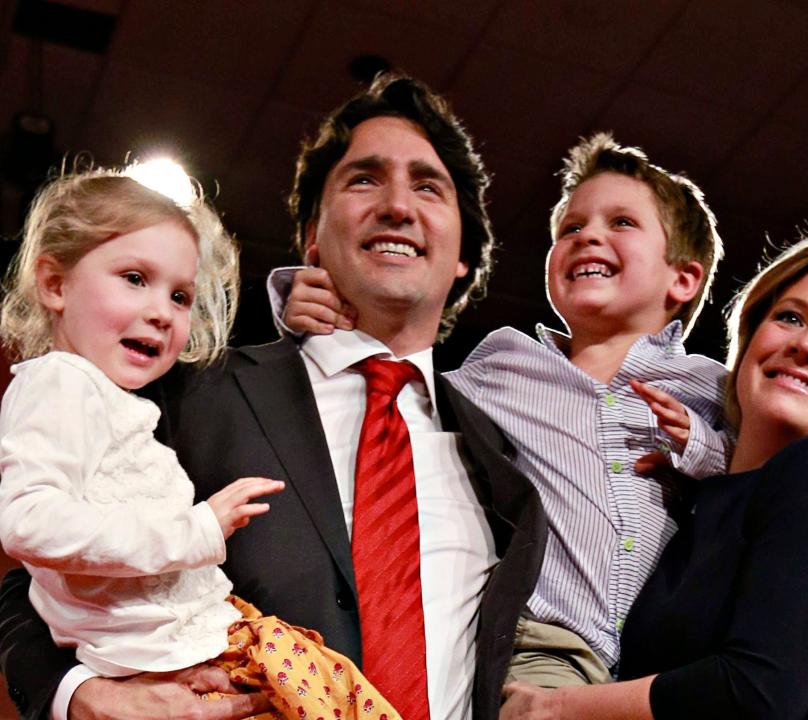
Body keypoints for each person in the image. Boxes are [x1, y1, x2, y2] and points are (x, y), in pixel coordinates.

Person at [0, 75, 546, 720]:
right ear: (312, 235)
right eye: (364, 179)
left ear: (464, 256)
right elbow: (27, 586)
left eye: (429, 186)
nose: (399, 206)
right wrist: (81, 697)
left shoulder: (506, 449)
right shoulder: (186, 391)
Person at [275, 132, 727, 686]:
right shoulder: (507, 362)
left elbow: (760, 482)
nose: (589, 238)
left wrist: (700, 449)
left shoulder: (711, 387)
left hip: (667, 657)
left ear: (683, 278)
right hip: (545, 643)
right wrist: (308, 309)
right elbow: (396, 392)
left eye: (621, 224)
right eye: (571, 228)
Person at [499, 228, 808, 719]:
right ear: (746, 346)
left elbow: (754, 694)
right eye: (790, 317)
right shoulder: (697, 510)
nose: (807, 344)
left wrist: (557, 706)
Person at [0, 169, 401, 720]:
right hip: (177, 661)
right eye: (135, 277)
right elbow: (28, 523)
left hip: (209, 640)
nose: (163, 311)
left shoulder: (116, 400)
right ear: (54, 284)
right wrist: (196, 530)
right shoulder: (58, 384)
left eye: (181, 295)